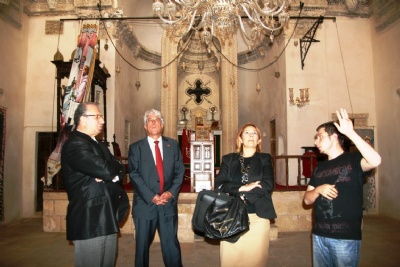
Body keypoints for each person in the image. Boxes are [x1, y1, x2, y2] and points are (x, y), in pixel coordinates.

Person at [303, 108, 382, 267]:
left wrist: (351, 133)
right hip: (319, 235)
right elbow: (307, 199)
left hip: (345, 237)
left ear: (334, 137)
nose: (315, 142)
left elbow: (375, 160)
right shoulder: (319, 168)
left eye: (320, 136)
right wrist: (319, 189)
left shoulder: (354, 160)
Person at [61, 102, 128, 267]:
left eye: (102, 116)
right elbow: (107, 169)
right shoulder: (75, 143)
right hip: (91, 219)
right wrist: (108, 172)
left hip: (108, 216)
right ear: (82, 119)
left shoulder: (98, 143)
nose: (102, 120)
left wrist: (108, 173)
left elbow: (119, 169)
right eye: (97, 116)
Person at [128, 109, 185, 267]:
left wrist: (170, 192)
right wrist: (151, 196)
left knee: (171, 245)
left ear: (162, 124)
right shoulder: (136, 148)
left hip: (167, 205)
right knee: (142, 248)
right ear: (145, 126)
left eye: (157, 119)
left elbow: (180, 171)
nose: (153, 122)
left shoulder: (172, 145)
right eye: (150, 120)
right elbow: (134, 174)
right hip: (145, 205)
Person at [215, 122, 276, 267]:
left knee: (256, 260)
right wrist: (242, 188)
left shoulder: (265, 158)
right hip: (231, 216)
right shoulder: (228, 159)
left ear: (259, 140)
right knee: (230, 260)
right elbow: (219, 184)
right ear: (240, 139)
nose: (251, 135)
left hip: (258, 218)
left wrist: (246, 195)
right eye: (247, 133)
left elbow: (268, 184)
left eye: (254, 133)